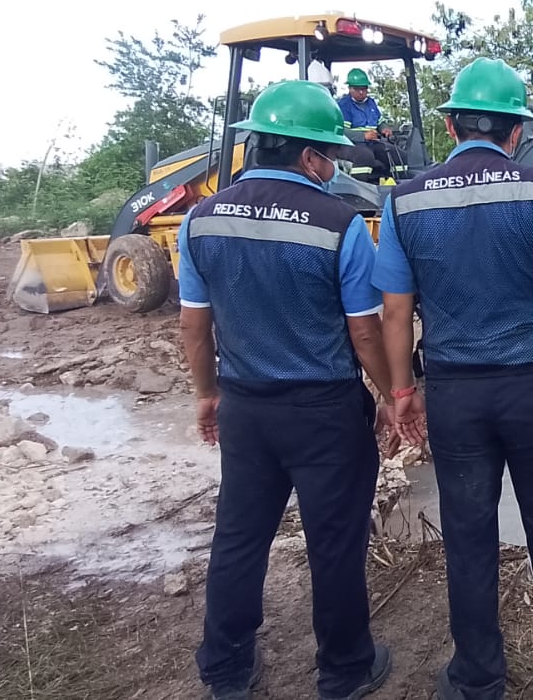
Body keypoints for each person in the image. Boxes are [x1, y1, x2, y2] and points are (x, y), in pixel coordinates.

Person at [373, 58, 533, 700]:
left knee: (469, 535)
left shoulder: (405, 199)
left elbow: (395, 309)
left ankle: (477, 677)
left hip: (457, 395)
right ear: (516, 131)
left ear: (450, 125)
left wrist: (400, 392)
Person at [177, 79, 413, 700]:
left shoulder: (200, 220)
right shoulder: (340, 224)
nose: (334, 167)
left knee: (239, 537)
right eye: (330, 155)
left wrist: (208, 394)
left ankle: (226, 672)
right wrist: (392, 395)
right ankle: (344, 671)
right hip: (324, 413)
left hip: (247, 406)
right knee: (334, 542)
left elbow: (194, 325)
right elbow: (364, 334)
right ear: (310, 157)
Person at [336, 68, 396, 182]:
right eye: (357, 89)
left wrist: (384, 129)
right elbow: (342, 131)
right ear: (350, 88)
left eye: (364, 89)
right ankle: (359, 187)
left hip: (373, 142)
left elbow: (379, 122)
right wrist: (363, 136)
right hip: (351, 144)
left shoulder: (371, 103)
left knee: (395, 154)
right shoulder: (344, 105)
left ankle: (395, 186)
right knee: (365, 156)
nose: (361, 92)